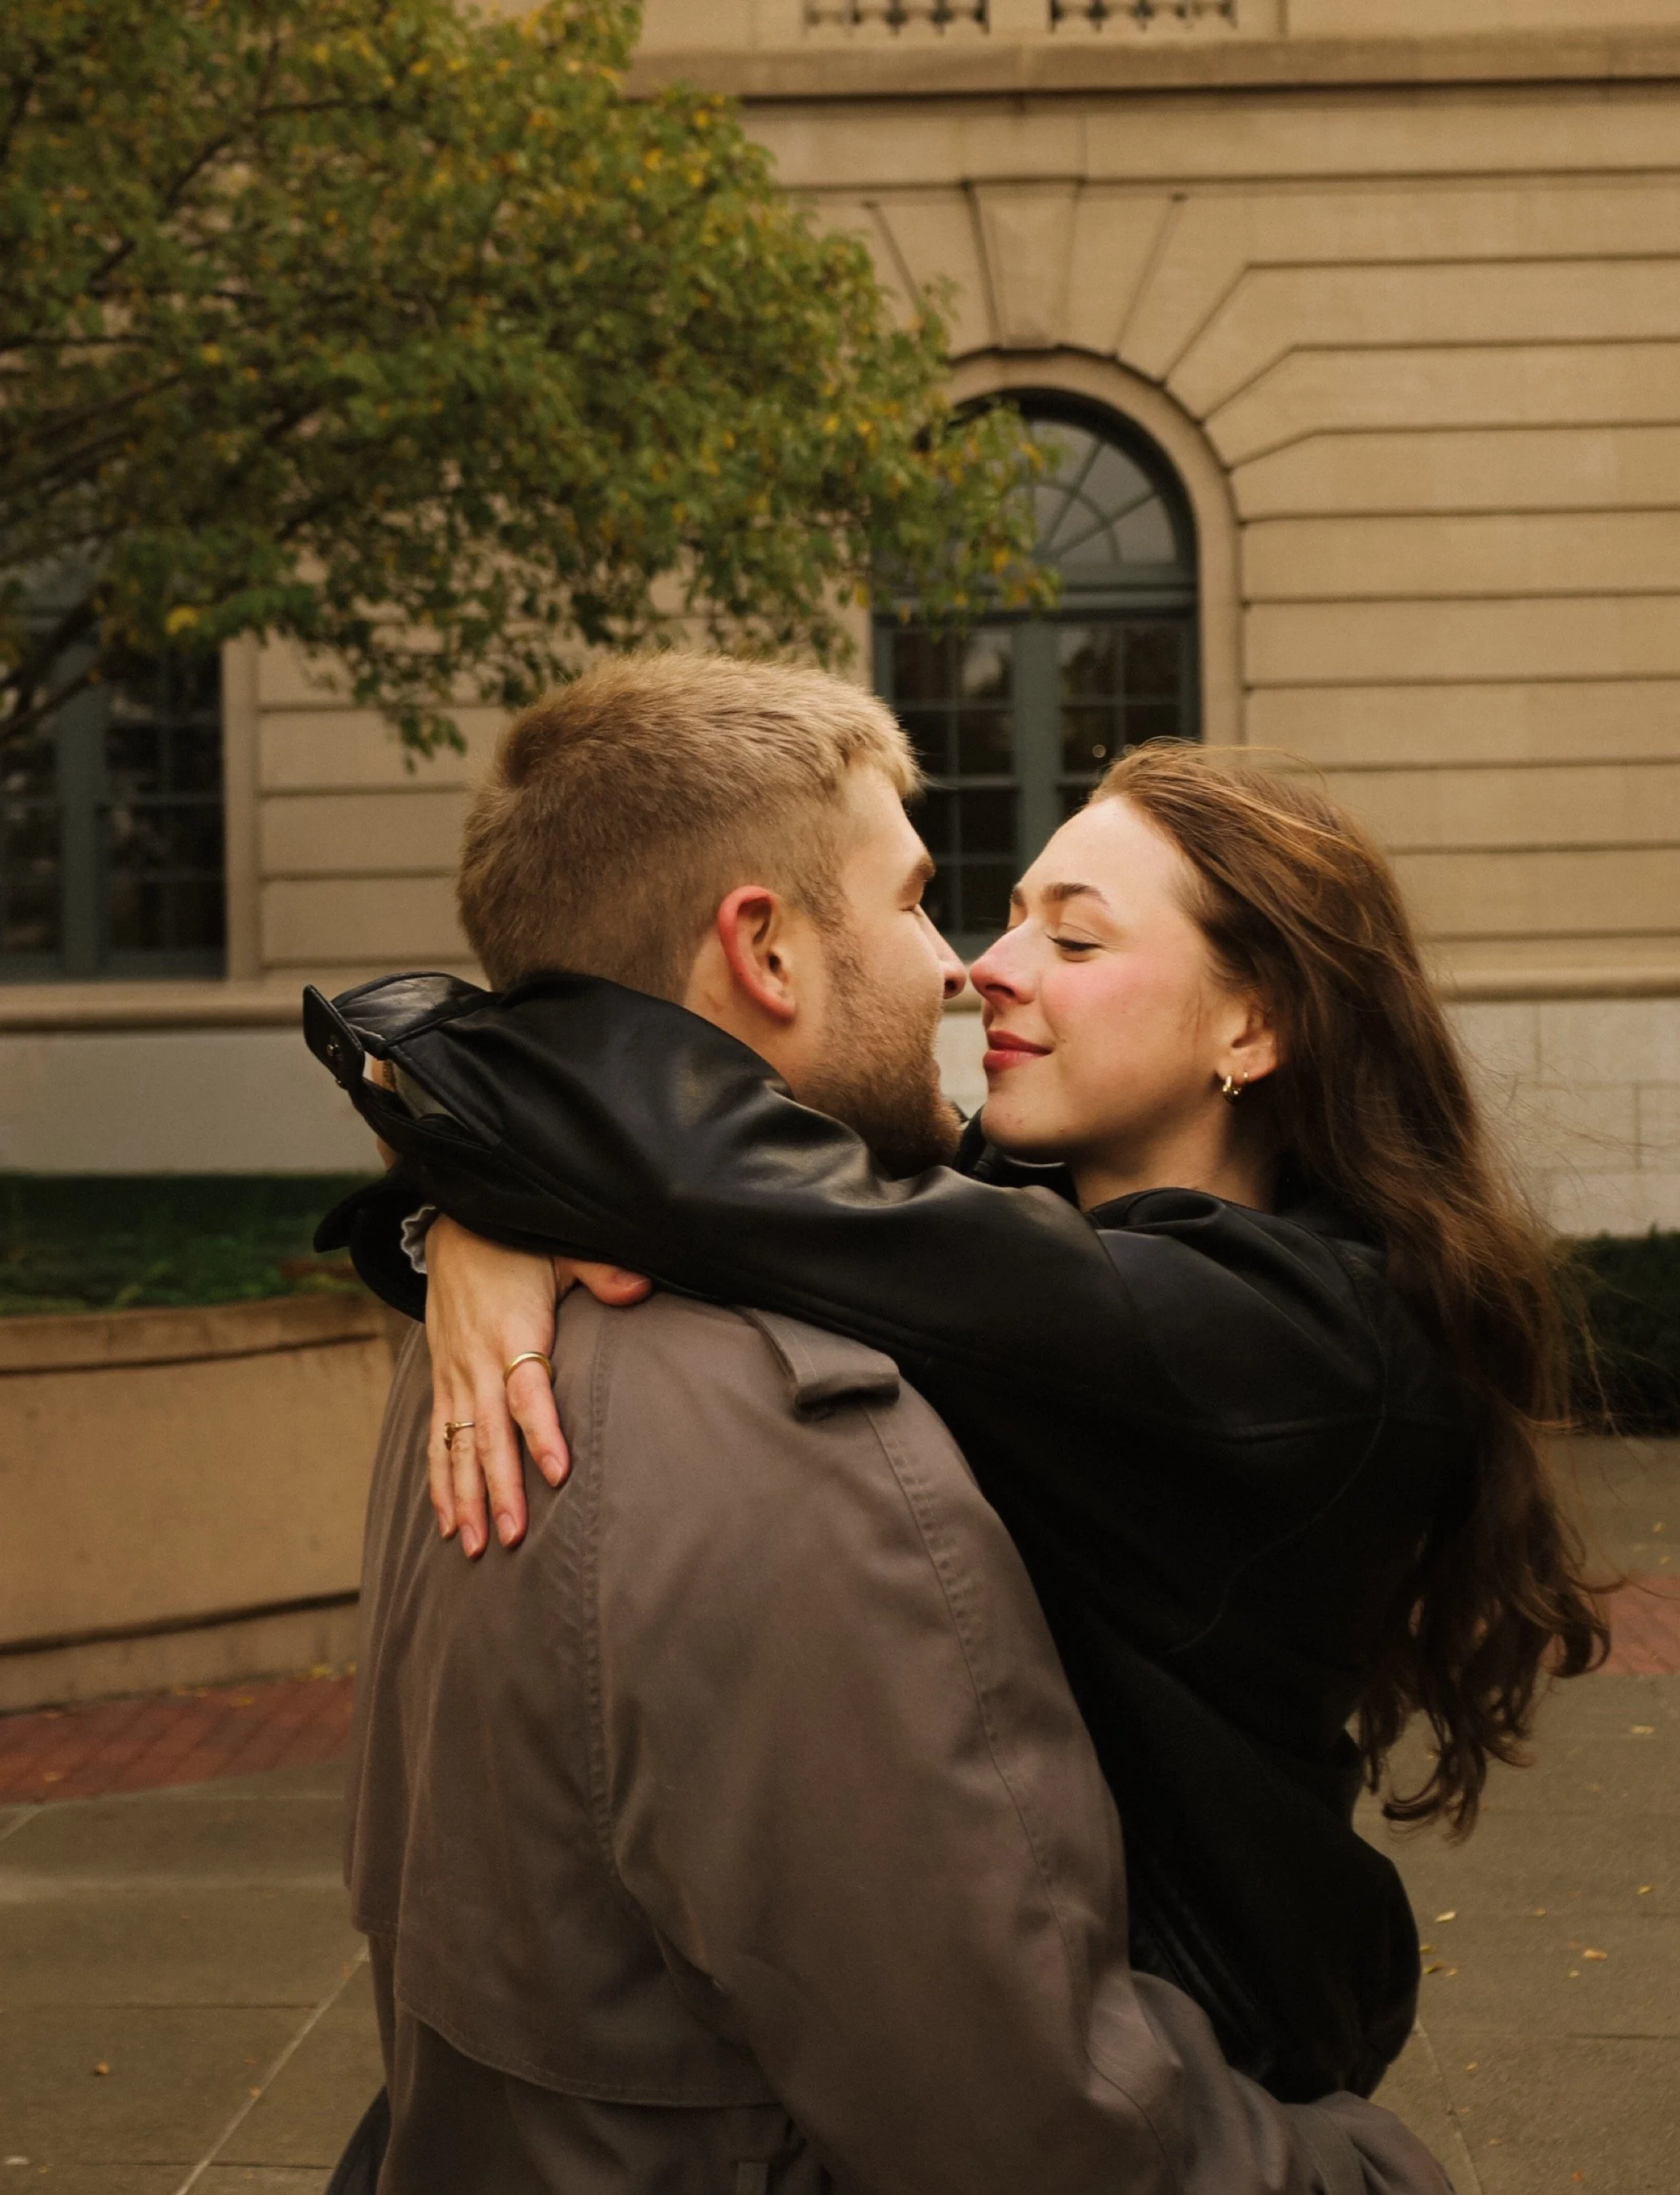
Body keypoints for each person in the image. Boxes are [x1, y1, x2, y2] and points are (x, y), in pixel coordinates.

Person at [318, 654, 1605, 2109]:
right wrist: (462, 1216)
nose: (987, 966)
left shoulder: (1298, 1337)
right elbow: (735, 1182)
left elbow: (743, 1187)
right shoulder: (1016, 1211)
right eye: (999, 918)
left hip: (1200, 2066)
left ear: (1250, 1027)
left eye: (1078, 938)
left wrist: (473, 1191)